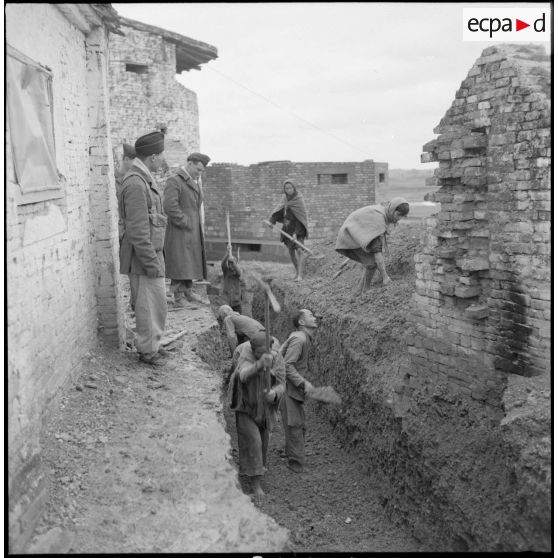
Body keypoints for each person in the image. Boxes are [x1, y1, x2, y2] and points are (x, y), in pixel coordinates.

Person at [118, 131, 168, 366]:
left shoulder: (142, 179)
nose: (162, 160)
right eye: (160, 156)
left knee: (155, 305)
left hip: (150, 255)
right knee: (148, 307)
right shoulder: (136, 184)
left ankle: (153, 345)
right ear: (153, 157)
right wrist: (152, 263)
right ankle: (147, 351)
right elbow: (138, 232)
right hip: (143, 258)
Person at [229, 331, 286, 503]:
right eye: (257, 353)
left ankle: (256, 467)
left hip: (265, 407)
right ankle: (255, 485)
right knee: (254, 441)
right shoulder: (245, 352)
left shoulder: (277, 357)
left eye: (263, 353)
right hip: (246, 405)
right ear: (252, 350)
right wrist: (259, 365)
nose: (258, 355)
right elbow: (243, 375)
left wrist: (274, 394)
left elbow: (282, 383)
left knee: (263, 440)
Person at [163, 152, 211, 307]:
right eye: (198, 169)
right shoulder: (175, 180)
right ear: (189, 164)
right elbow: (170, 206)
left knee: (189, 260)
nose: (199, 173)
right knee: (180, 261)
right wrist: (185, 221)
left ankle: (188, 291)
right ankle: (177, 296)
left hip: (191, 230)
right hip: (180, 230)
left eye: (201, 171)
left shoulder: (193, 181)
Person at [335, 197, 410, 293]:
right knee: (372, 262)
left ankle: (360, 289)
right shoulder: (378, 220)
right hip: (349, 235)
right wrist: (385, 277)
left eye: (402, 217)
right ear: (393, 209)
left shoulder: (384, 212)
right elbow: (377, 251)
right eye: (398, 215)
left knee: (370, 261)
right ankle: (365, 289)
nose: (399, 219)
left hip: (356, 232)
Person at [280, 308, 319, 473]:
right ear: (302, 322)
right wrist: (303, 383)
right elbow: (287, 365)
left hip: (291, 387)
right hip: (287, 387)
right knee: (295, 424)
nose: (315, 318)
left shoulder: (303, 337)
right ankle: (296, 463)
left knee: (298, 423)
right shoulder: (299, 339)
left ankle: (292, 455)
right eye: (311, 315)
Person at [267, 180, 309, 281]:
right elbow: (280, 211)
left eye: (290, 188)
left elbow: (300, 217)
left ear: (294, 188)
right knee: (291, 251)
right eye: (286, 188)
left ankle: (300, 275)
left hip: (298, 230)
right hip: (288, 229)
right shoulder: (284, 199)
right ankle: (297, 272)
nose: (289, 190)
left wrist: (295, 233)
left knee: (299, 250)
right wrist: (272, 221)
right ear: (284, 190)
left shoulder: (298, 199)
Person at [115, 143, 137, 310]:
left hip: (127, 231)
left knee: (133, 269)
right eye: (133, 160)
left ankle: (135, 302)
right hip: (118, 233)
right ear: (126, 159)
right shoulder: (114, 180)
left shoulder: (129, 180)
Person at [221, 246, 245, 313]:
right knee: (227, 317)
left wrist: (234, 263)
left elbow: (239, 273)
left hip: (236, 301)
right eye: (229, 263)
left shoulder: (238, 271)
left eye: (232, 263)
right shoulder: (226, 271)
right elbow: (223, 264)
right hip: (227, 301)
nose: (230, 265)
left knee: (239, 317)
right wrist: (227, 253)